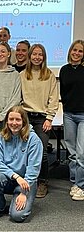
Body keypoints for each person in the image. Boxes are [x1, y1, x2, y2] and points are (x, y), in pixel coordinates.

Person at [0, 106, 43, 222]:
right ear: (7, 121)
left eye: (18, 120)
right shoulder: (1, 137)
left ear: (24, 121)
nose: (14, 123)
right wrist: (15, 176)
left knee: (17, 216)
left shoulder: (34, 140)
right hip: (10, 178)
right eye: (11, 119)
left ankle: (19, 197)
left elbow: (33, 169)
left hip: (26, 182)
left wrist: (23, 193)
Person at [20, 44, 59, 198]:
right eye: (34, 54)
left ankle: (42, 181)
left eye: (40, 54)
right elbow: (19, 97)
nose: (37, 57)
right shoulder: (22, 75)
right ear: (29, 56)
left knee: (41, 151)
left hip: (42, 118)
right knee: (24, 149)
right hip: (26, 116)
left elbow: (53, 99)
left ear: (44, 57)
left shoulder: (49, 75)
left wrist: (49, 118)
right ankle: (27, 179)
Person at [59, 39, 84, 201]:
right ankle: (74, 182)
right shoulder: (64, 70)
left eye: (80, 51)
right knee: (72, 152)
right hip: (68, 114)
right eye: (74, 50)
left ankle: (81, 185)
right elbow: (63, 92)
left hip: (83, 115)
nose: (76, 53)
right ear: (70, 51)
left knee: (81, 154)